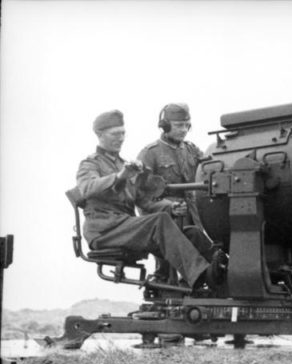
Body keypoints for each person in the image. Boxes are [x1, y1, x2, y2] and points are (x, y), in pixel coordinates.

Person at [76, 109, 214, 291]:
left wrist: (170, 207)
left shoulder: (124, 165)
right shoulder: (90, 164)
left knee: (193, 233)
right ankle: (199, 275)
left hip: (125, 226)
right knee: (159, 222)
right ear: (99, 134)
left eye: (123, 133)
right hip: (105, 231)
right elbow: (86, 187)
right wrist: (120, 177)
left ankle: (221, 274)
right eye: (115, 134)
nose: (120, 138)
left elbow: (145, 200)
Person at [137, 103, 211, 282]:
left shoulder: (191, 150)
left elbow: (210, 167)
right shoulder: (150, 154)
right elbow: (141, 197)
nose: (184, 130)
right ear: (165, 126)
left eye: (187, 125)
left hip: (193, 213)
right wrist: (168, 207)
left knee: (200, 251)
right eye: (179, 126)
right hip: (166, 217)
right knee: (168, 271)